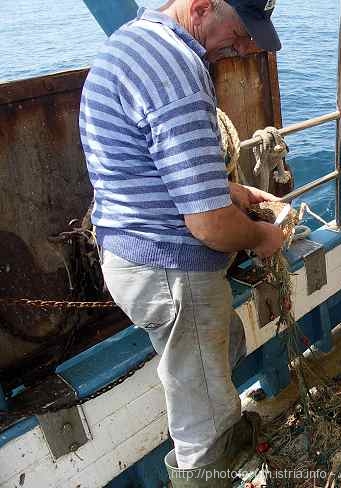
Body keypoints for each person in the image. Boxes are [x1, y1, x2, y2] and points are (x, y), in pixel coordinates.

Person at [79, 1, 283, 486]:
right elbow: (211, 226)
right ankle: (212, 466)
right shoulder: (175, 70)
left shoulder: (135, 42)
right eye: (239, 30)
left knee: (215, 356)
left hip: (131, 252)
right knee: (202, 421)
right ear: (202, 6)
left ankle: (228, 434)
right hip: (170, 270)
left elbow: (146, 164)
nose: (243, 44)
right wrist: (262, 235)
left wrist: (227, 189)